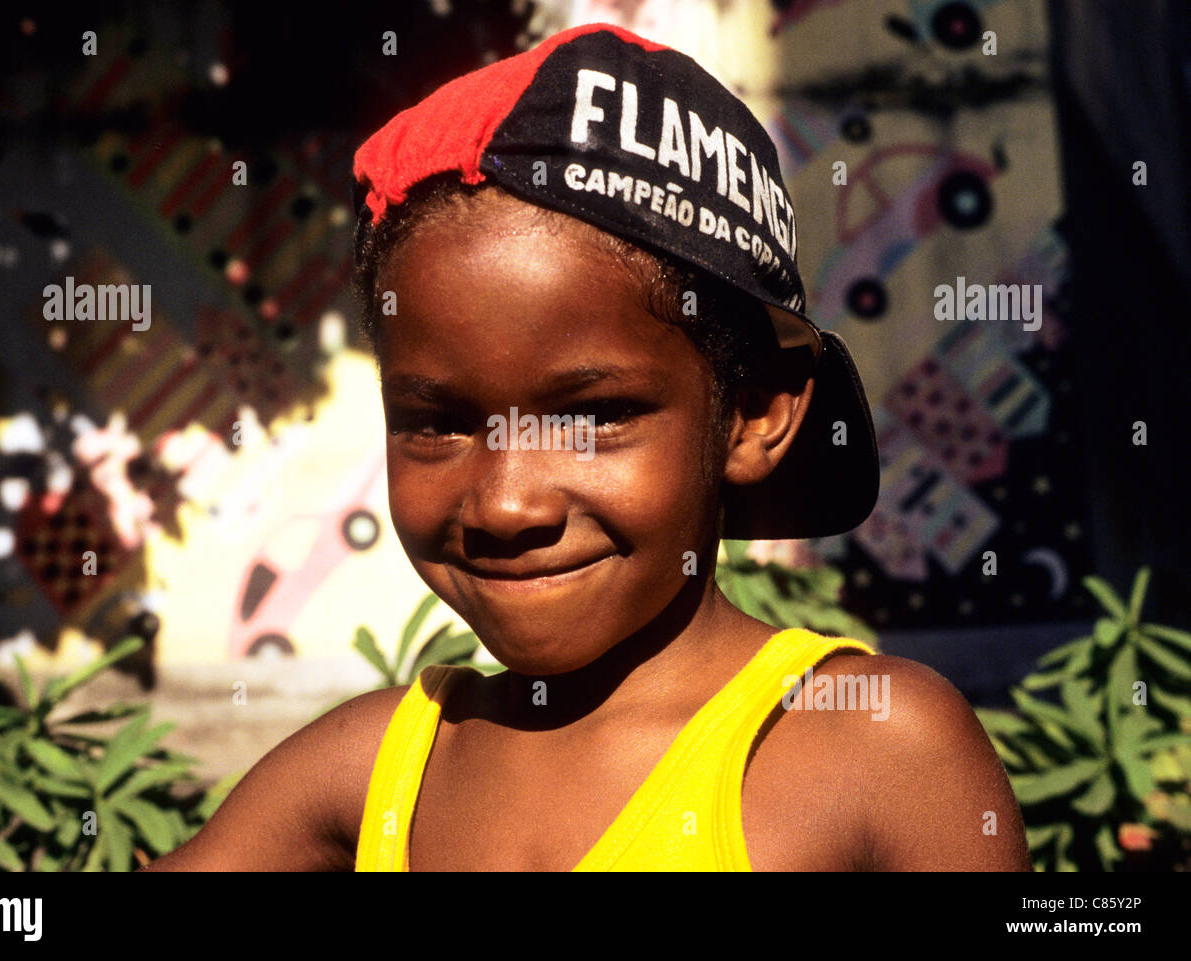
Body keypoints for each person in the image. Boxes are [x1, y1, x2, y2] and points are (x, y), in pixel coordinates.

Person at [144, 22, 1029, 871]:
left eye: (590, 416)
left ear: (753, 413)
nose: (506, 503)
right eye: (436, 423)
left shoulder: (872, 749)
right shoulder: (370, 770)